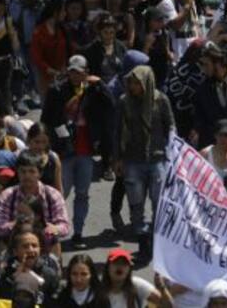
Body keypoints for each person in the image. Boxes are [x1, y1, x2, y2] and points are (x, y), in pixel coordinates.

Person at [42, 54, 114, 249]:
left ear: (86, 73)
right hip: (64, 152)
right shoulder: (56, 90)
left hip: (86, 150)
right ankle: (51, 230)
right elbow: (47, 118)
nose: (75, 76)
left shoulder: (93, 90)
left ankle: (78, 233)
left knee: (82, 193)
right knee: (60, 193)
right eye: (72, 71)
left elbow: (111, 105)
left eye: (79, 72)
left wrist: (101, 85)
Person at [115, 65, 173, 261]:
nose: (133, 87)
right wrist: (117, 159)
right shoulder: (124, 102)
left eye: (137, 83)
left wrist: (173, 155)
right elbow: (116, 132)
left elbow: (171, 128)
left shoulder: (161, 100)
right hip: (132, 160)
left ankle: (158, 244)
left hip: (157, 159)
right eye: (130, 83)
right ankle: (143, 245)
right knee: (136, 204)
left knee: (160, 204)